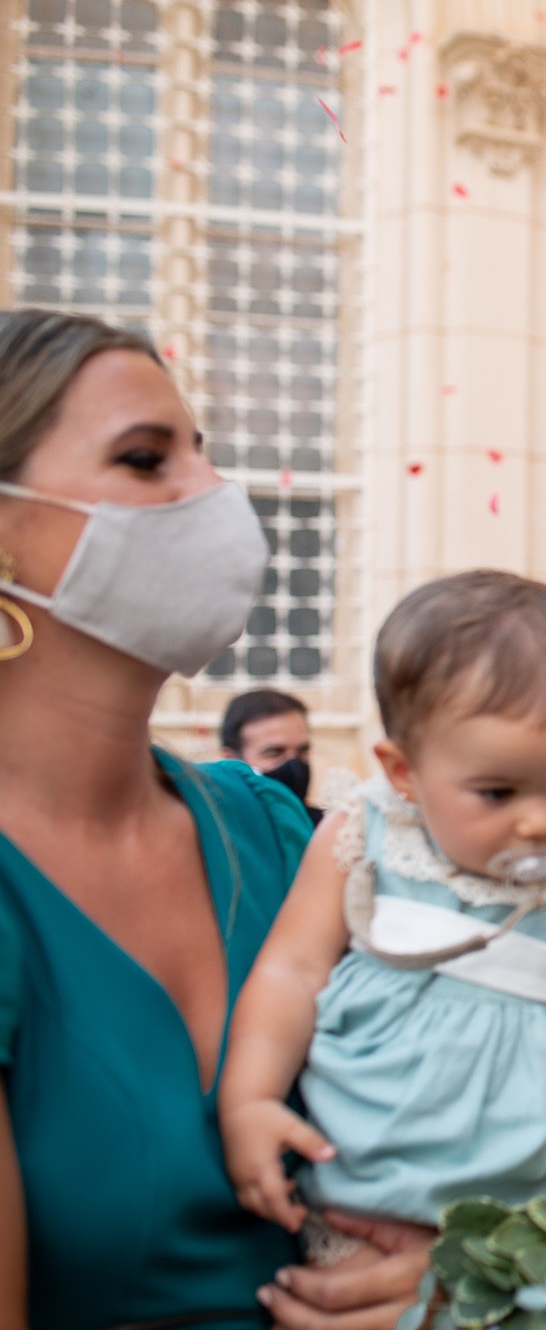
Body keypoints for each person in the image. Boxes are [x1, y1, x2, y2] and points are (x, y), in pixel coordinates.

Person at [0, 307, 422, 1327]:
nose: (213, 495)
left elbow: (432, 1136)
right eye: (147, 459)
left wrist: (428, 1271)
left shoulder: (271, 830)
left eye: (205, 452)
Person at [218, 572, 546, 1266]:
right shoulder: (365, 838)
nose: (541, 818)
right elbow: (290, 970)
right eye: (497, 790)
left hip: (533, 1211)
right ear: (404, 772)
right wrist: (251, 1096)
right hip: (361, 1191)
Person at [221, 688, 320, 823]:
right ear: (230, 759)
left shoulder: (330, 830)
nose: (294, 764)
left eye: (302, 751)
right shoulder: (215, 830)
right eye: (275, 753)